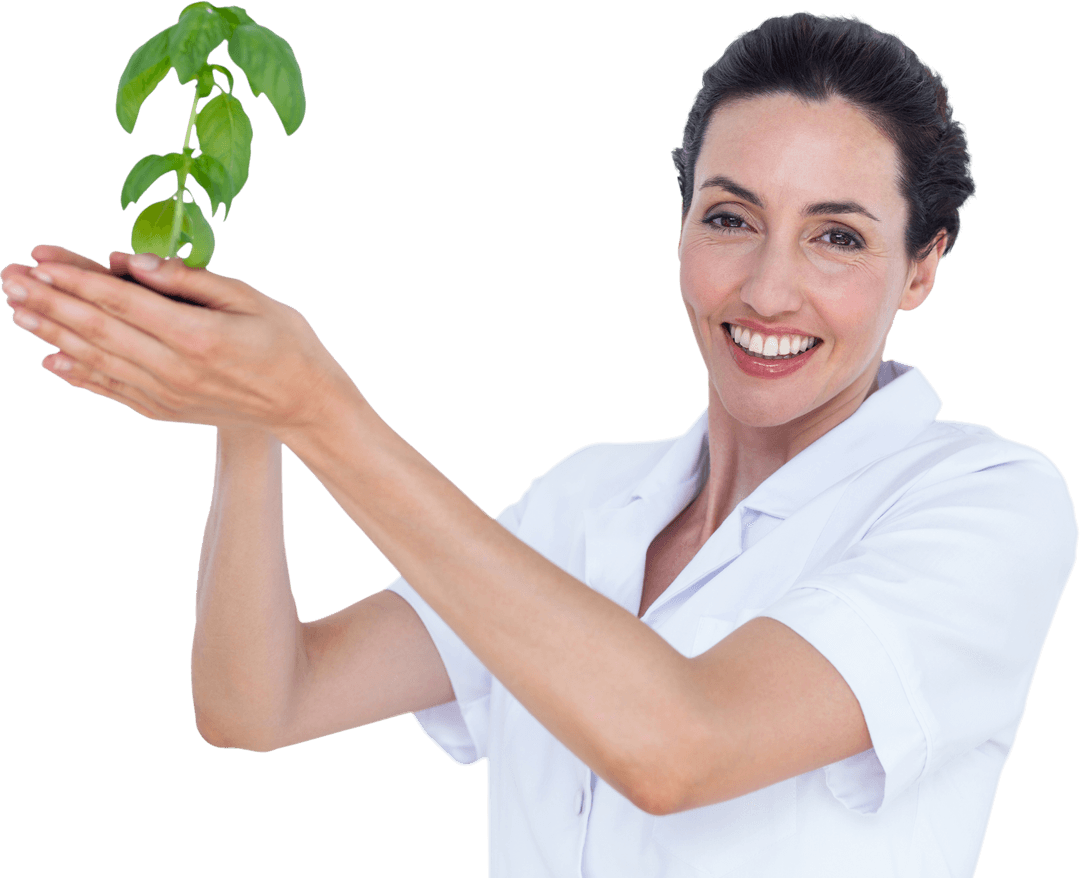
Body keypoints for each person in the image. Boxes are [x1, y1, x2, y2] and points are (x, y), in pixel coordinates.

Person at [2, 11, 1075, 878]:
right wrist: (251, 418)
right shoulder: (588, 497)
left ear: (925, 265)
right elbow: (260, 703)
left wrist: (323, 409)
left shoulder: (990, 501)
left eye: (837, 236)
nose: (767, 288)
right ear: (683, 224)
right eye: (729, 217)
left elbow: (680, 742)